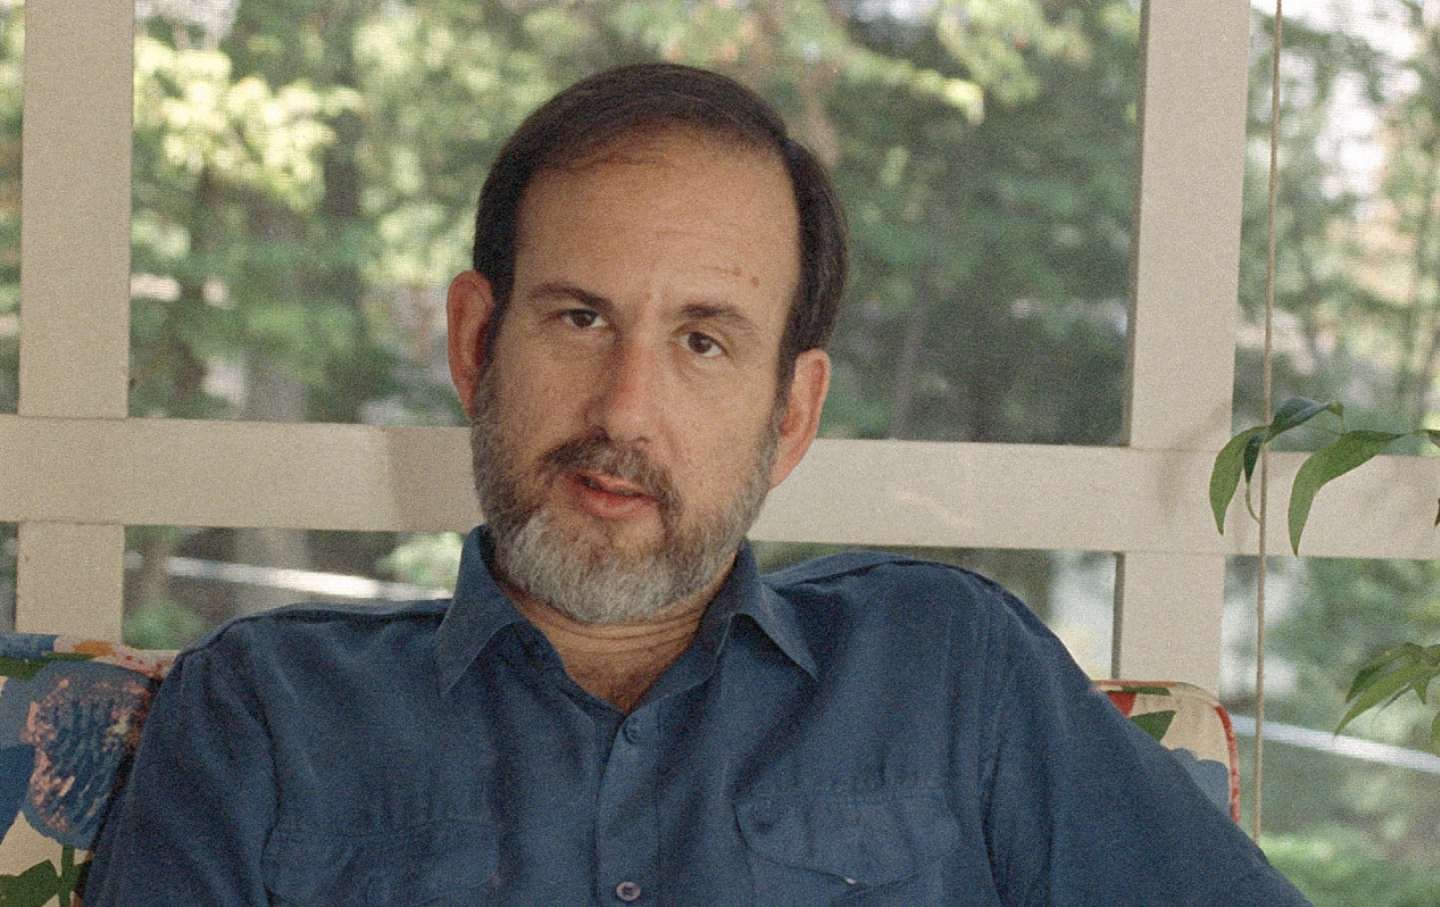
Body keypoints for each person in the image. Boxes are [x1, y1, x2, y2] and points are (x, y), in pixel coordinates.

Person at [87, 63, 1310, 905]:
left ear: (791, 414)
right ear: (475, 345)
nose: (624, 409)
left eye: (703, 340)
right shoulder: (259, 715)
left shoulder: (956, 673)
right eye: (578, 317)